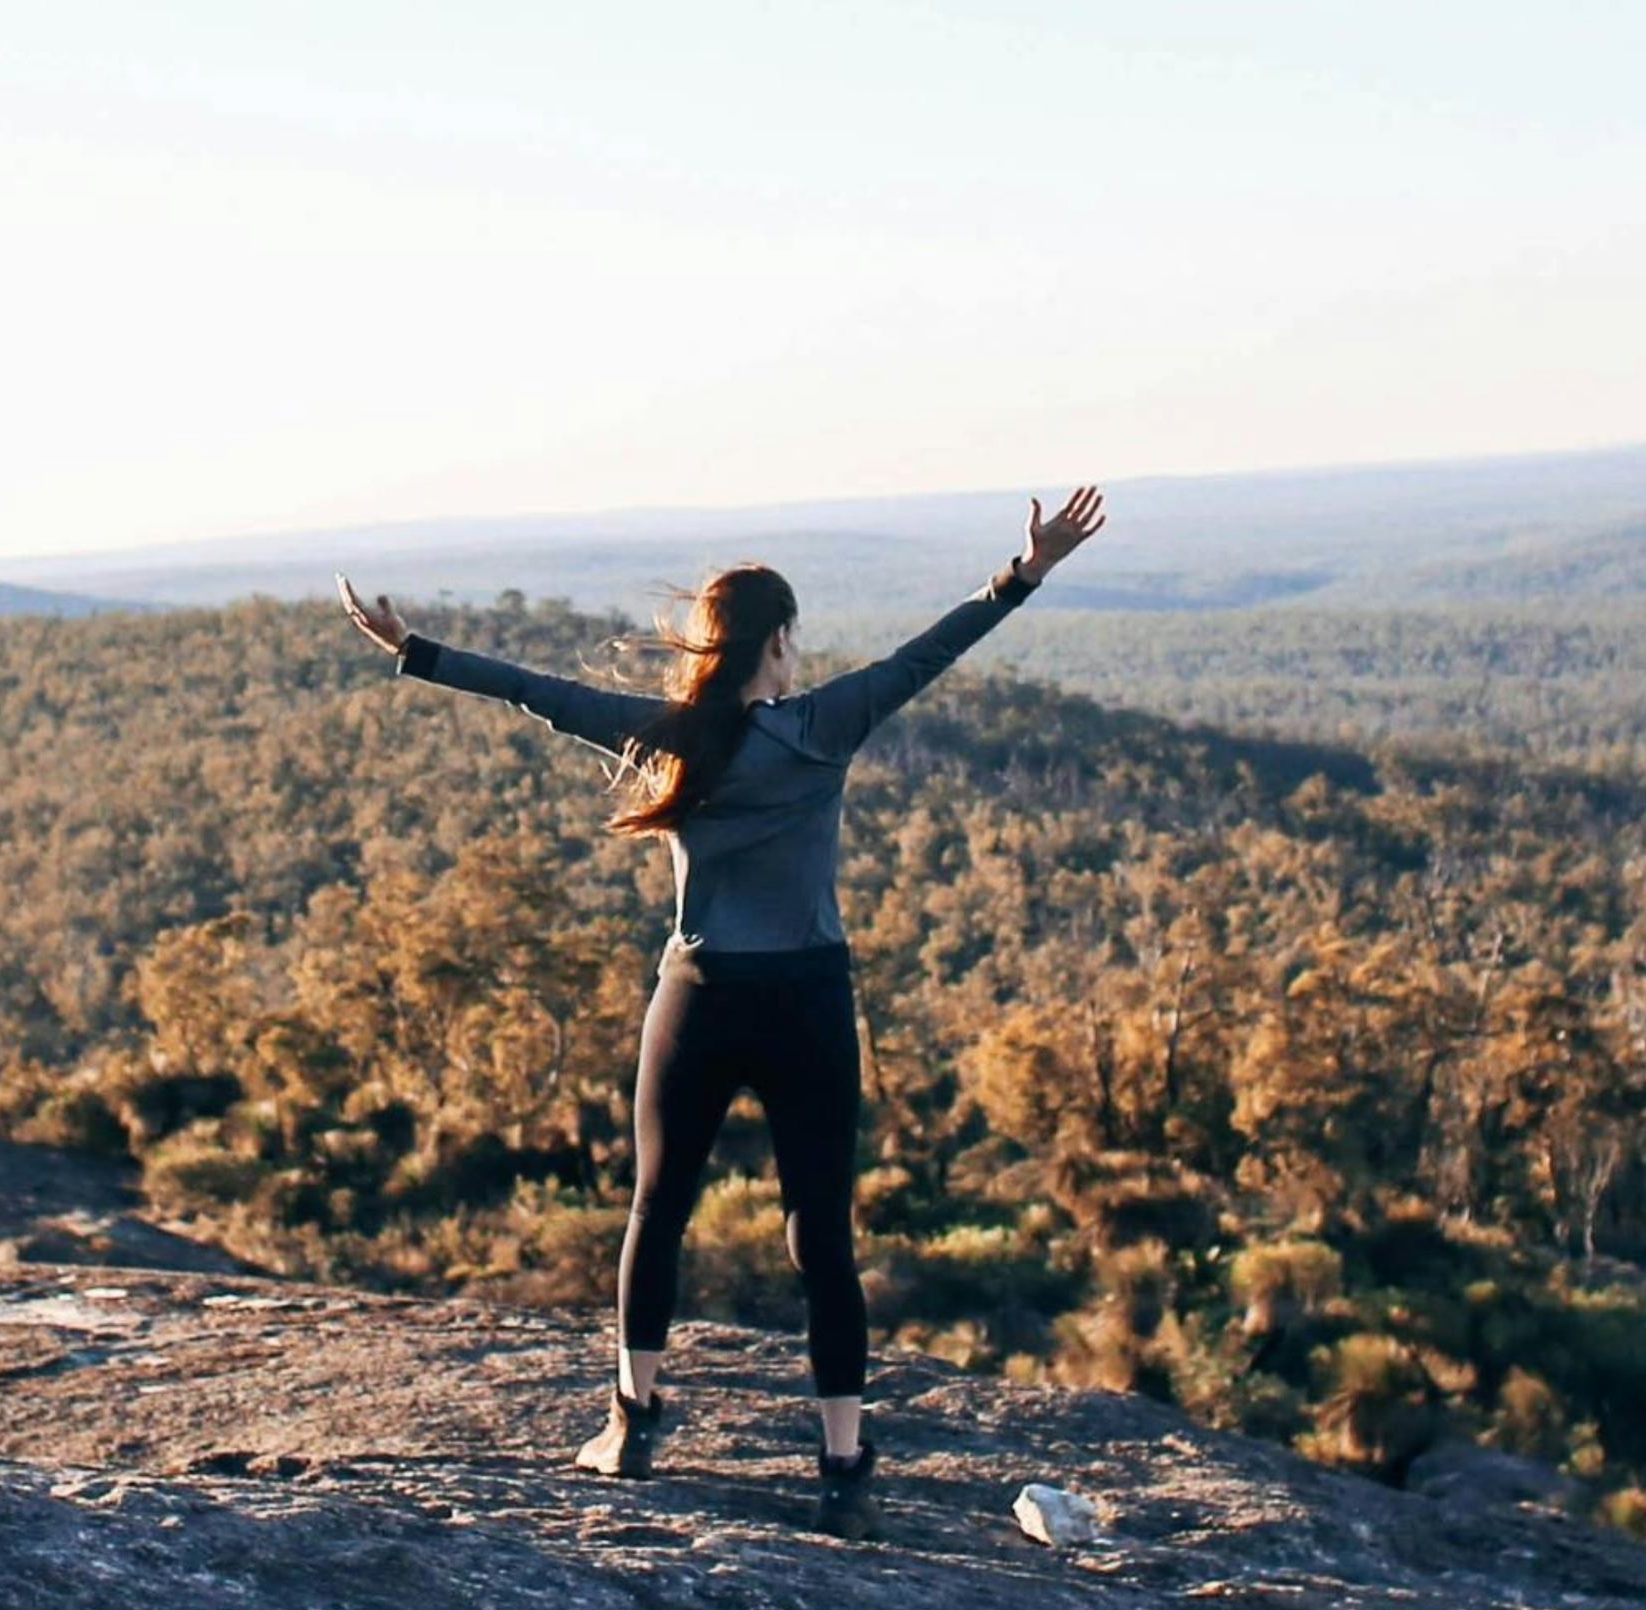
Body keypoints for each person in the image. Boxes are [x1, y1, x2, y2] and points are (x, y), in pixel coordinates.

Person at [336, 485, 1106, 1538]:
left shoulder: (667, 732)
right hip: (807, 1000)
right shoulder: (823, 724)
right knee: (820, 1236)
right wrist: (1026, 571)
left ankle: (632, 1422)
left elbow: (527, 688)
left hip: (697, 999)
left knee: (658, 1211)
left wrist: (412, 647)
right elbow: (930, 653)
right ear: (779, 642)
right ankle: (842, 1467)